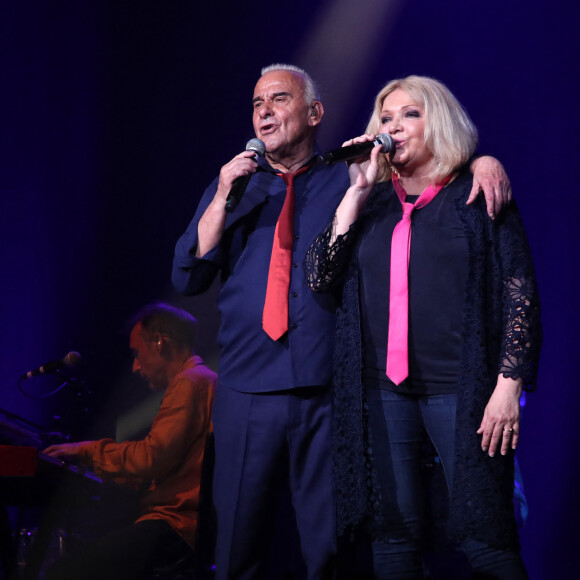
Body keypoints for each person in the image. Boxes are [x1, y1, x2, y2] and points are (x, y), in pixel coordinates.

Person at [172, 64, 511, 580]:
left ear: (314, 113)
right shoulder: (237, 184)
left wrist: (486, 160)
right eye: (257, 103)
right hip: (245, 387)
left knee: (330, 544)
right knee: (237, 541)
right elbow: (188, 277)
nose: (264, 111)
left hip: (329, 388)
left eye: (279, 99)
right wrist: (220, 194)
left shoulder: (355, 178)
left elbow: (432, 166)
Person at [304, 75, 542, 579]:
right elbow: (320, 277)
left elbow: (520, 294)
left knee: (486, 537)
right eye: (386, 118)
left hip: (461, 390)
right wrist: (356, 195)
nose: (394, 126)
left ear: (440, 121)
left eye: (409, 114)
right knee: (392, 536)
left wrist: (507, 387)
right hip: (382, 391)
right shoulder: (373, 201)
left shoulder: (476, 191)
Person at [42, 302, 217, 580]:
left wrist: (86, 451)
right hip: (186, 526)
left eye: (137, 353)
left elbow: (152, 457)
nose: (135, 367)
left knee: (64, 573)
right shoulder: (201, 380)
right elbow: (170, 465)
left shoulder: (190, 382)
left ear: (160, 342)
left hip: (176, 526)